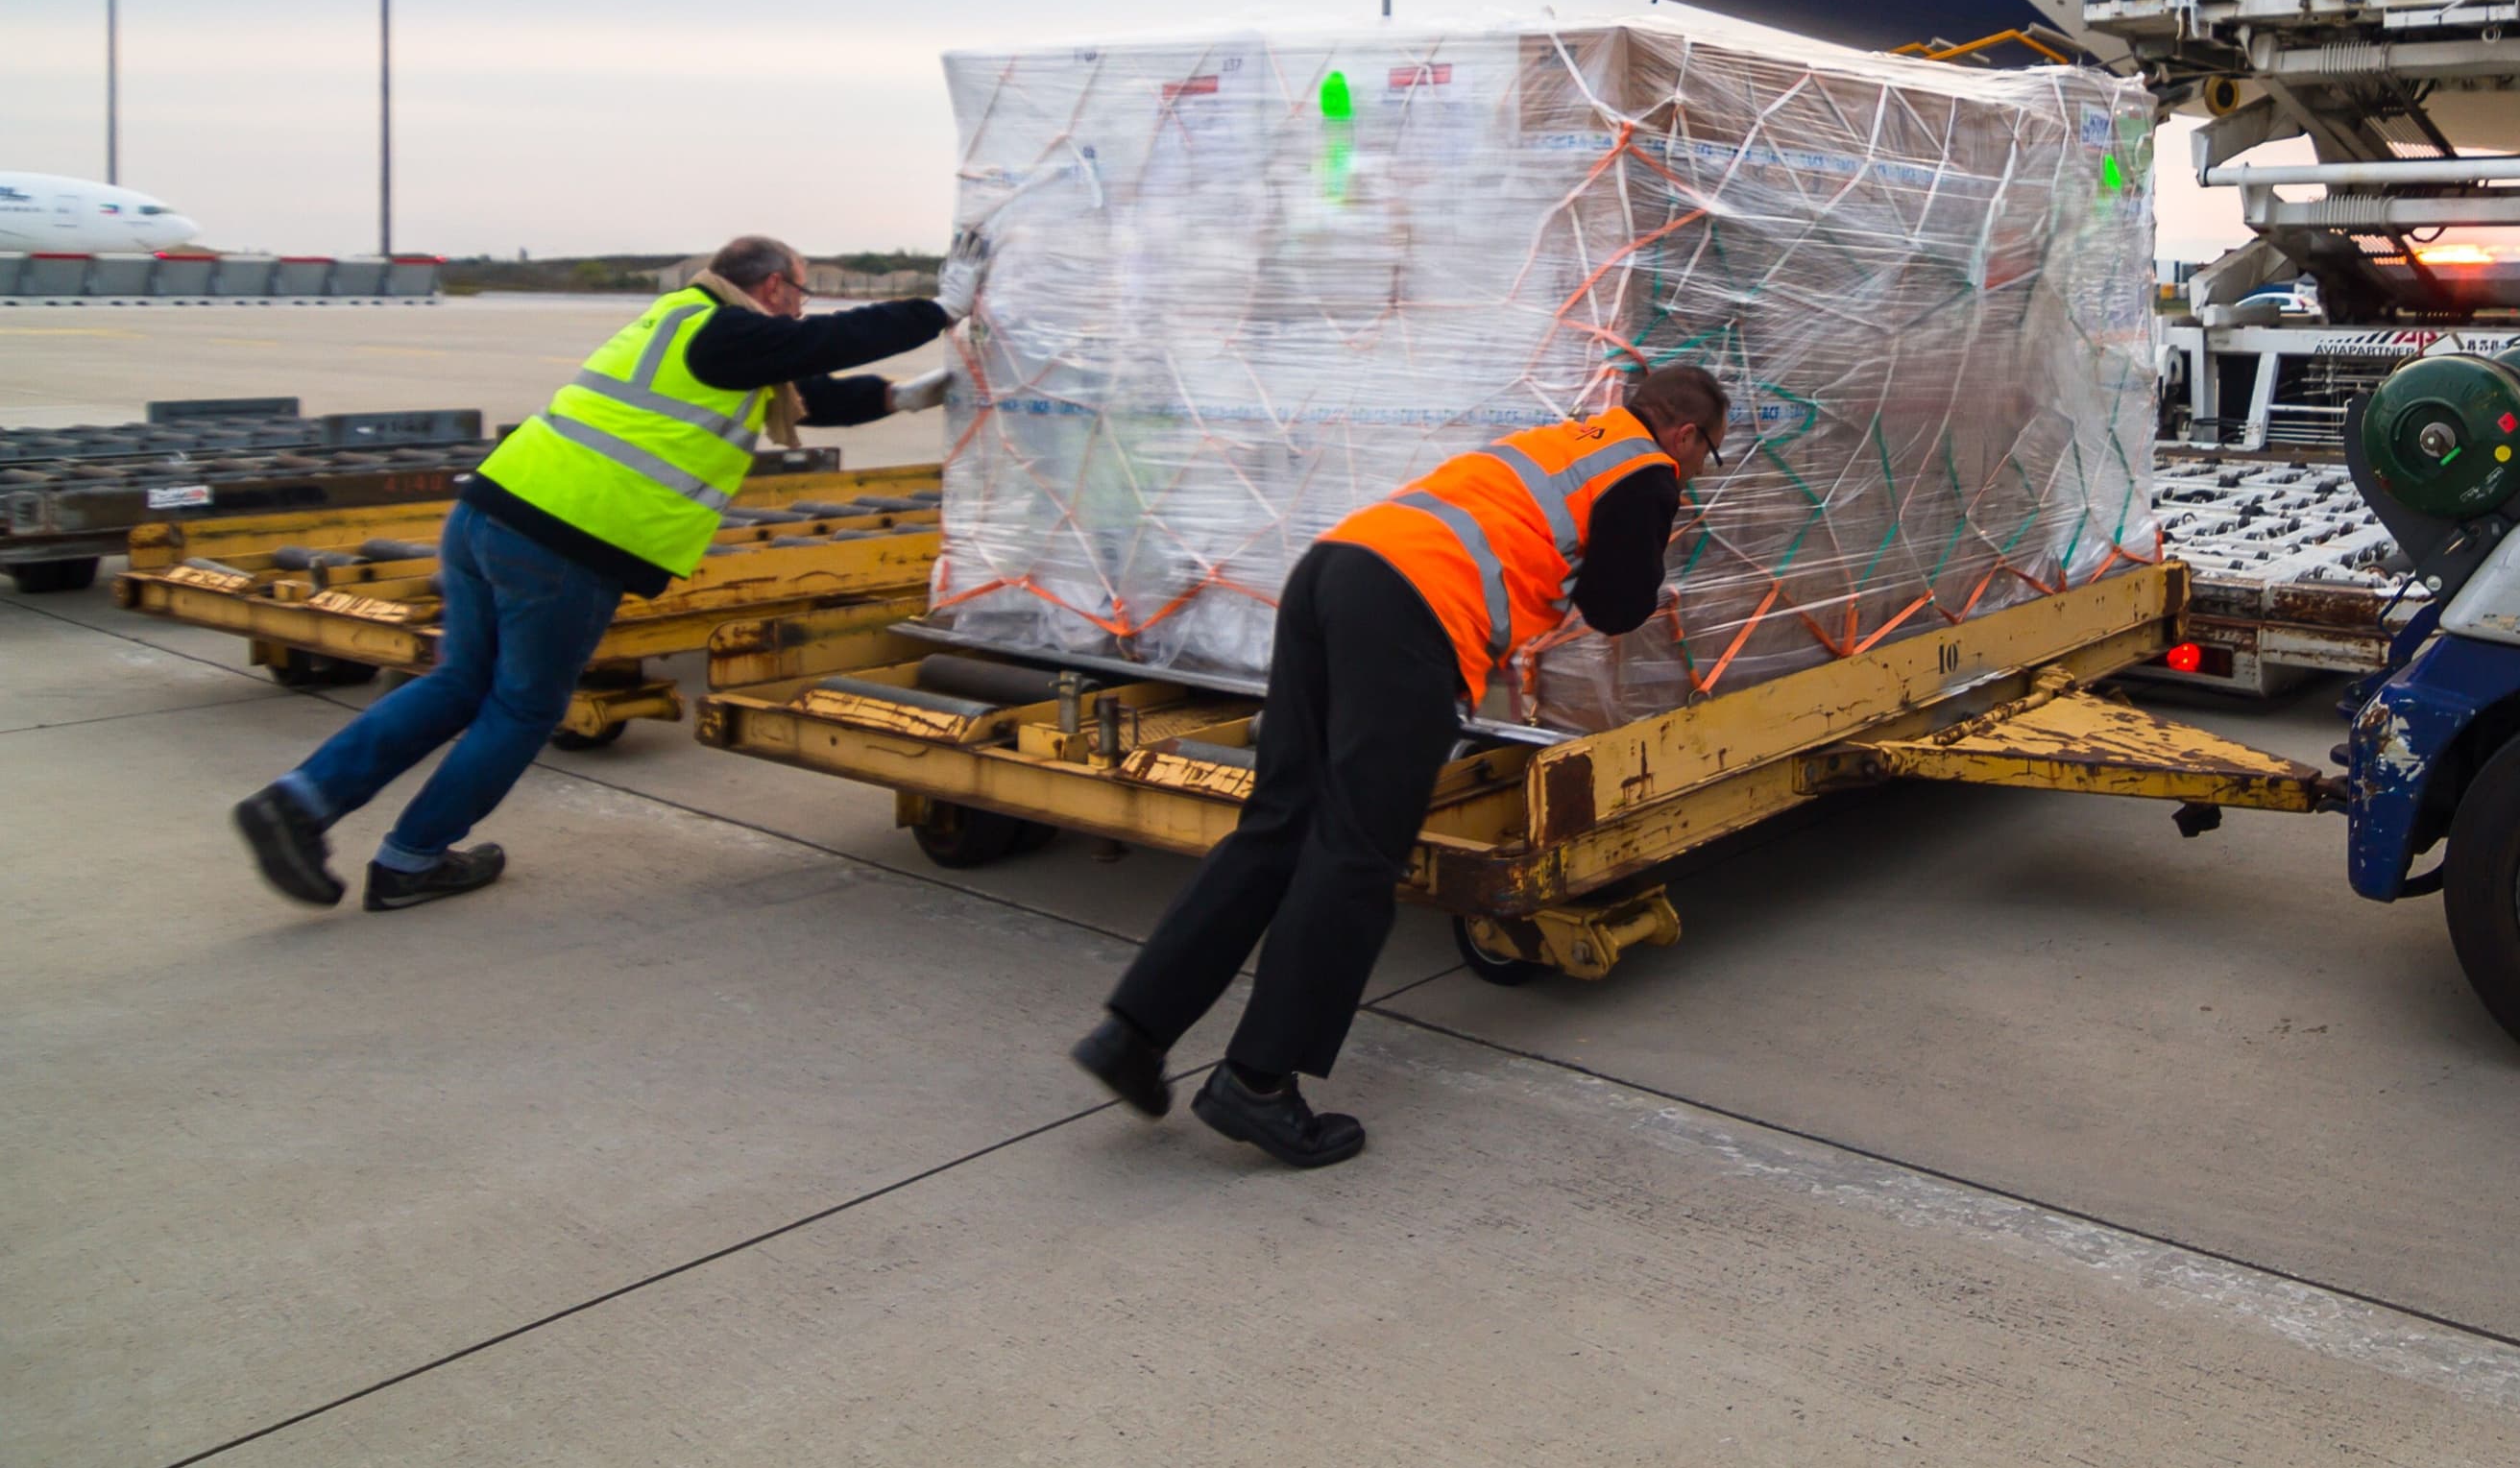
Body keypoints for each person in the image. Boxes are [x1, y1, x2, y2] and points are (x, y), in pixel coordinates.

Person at [1073, 364, 1730, 1169]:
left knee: (1279, 824)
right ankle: (1258, 1082)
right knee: (1357, 851)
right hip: (1413, 614)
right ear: (1685, 434)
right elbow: (1615, 605)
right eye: (1707, 456)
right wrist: (1660, 583)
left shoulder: (1562, 442)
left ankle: (1133, 1034)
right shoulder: (1645, 468)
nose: (1697, 474)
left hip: (1334, 570)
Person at [230, 236, 954, 912]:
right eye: (800, 293)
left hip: (490, 512)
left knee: (460, 683)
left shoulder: (686, 322)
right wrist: (944, 307)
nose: (801, 309)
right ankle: (411, 860)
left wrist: (896, 397)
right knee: (524, 708)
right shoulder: (727, 331)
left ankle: (297, 803)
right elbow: (828, 340)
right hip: (562, 544)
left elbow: (809, 391)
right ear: (773, 287)